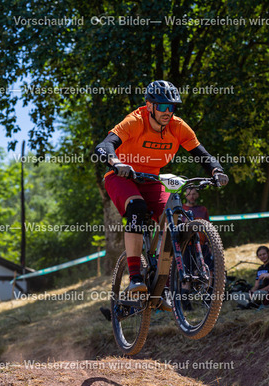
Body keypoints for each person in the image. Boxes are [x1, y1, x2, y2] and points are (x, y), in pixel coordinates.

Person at [93, 80, 228, 306]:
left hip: (153, 179)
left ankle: (162, 280)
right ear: (149, 105)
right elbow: (104, 145)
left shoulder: (178, 127)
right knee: (137, 208)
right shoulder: (135, 121)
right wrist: (115, 161)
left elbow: (202, 154)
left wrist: (216, 170)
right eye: (163, 107)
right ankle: (135, 277)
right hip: (122, 177)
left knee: (173, 216)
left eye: (172, 107)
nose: (168, 112)